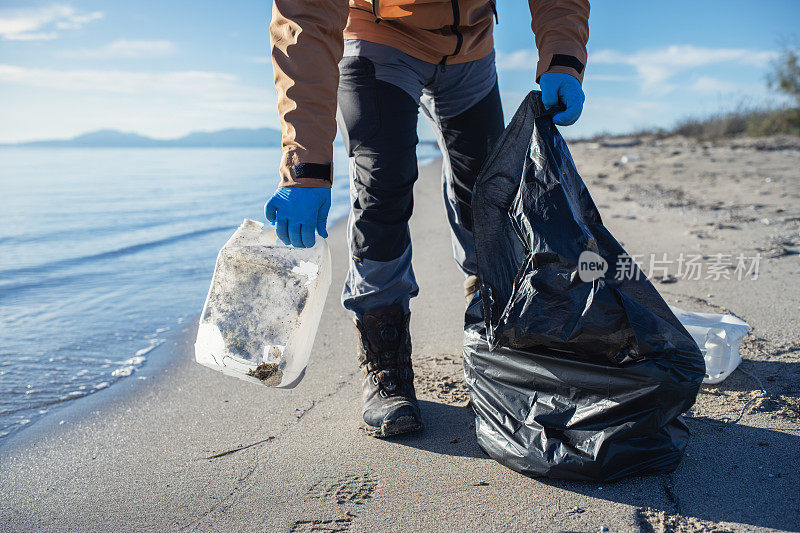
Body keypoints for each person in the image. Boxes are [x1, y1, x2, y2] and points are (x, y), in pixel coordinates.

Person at [265, 0, 589, 437]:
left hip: (470, 46)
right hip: (379, 35)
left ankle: (494, 341)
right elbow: (304, 17)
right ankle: (385, 363)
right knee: (382, 181)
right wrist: (305, 167)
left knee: (488, 192)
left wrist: (563, 58)